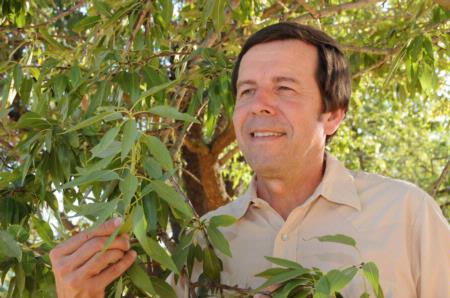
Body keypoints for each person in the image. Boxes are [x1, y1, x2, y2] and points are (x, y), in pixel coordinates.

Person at [50, 22, 450, 297]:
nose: (259, 106)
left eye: (284, 88)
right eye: (247, 91)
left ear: (332, 114)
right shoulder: (202, 241)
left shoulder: (407, 215)